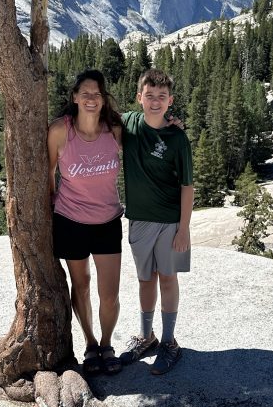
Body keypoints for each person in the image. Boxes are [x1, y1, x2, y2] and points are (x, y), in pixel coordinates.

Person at [118, 68, 194, 375]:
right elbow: (91, 120)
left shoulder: (177, 139)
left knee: (168, 278)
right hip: (138, 220)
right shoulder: (127, 124)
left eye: (161, 97)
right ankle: (147, 337)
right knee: (145, 279)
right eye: (149, 96)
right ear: (139, 97)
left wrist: (184, 229)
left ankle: (169, 342)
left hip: (170, 222)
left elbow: (187, 186)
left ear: (170, 101)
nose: (155, 102)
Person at [48, 69, 123, 375]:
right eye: (86, 93)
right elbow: (46, 175)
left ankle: (107, 343)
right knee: (81, 284)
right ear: (75, 97)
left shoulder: (115, 130)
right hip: (71, 220)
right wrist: (52, 210)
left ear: (104, 100)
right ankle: (90, 343)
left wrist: (172, 124)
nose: (92, 98)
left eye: (97, 93)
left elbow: (149, 130)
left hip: (107, 220)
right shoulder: (59, 131)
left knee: (110, 292)